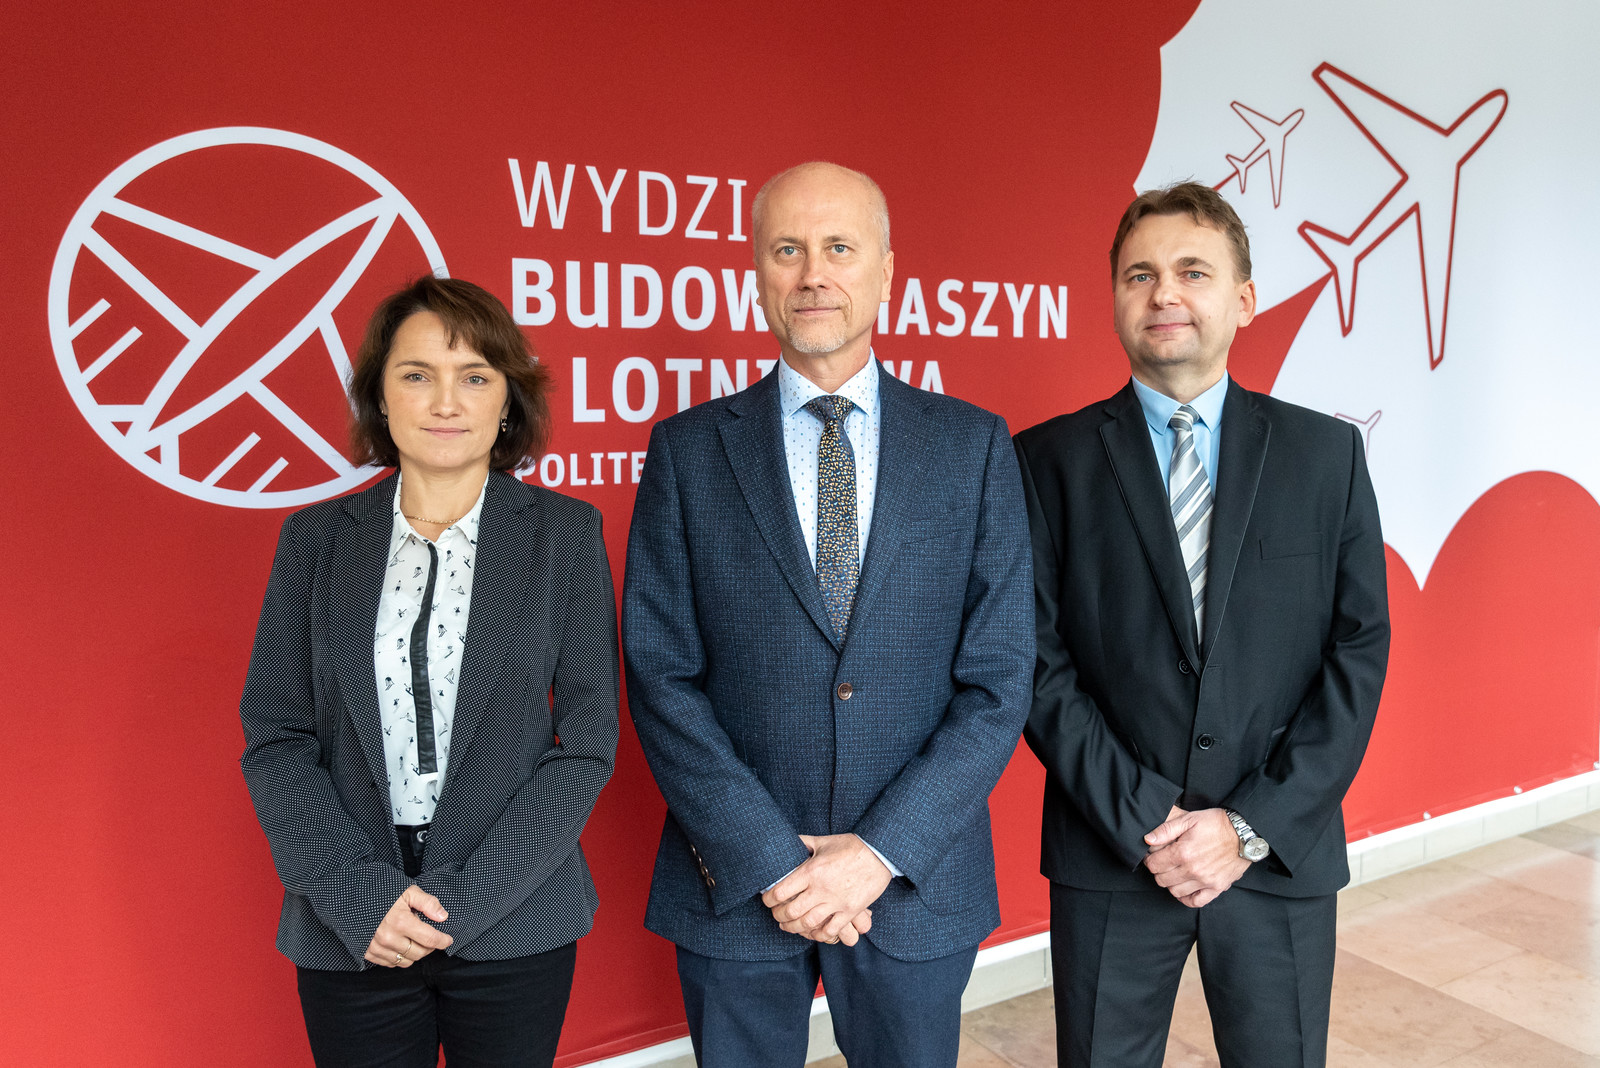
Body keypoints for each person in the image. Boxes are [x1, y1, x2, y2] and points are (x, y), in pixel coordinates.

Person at [621, 161, 1034, 1068]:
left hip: (913, 880)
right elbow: (660, 674)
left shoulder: (972, 444)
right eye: (788, 250)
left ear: (886, 271)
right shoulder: (688, 451)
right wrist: (770, 858)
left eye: (840, 248)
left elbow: (1000, 680)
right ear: (757, 272)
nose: (814, 273)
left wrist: (877, 854)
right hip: (737, 882)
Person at [1014, 182, 1390, 1067]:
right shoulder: (1044, 461)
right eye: (1140, 274)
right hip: (1112, 855)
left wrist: (1248, 826)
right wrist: (1151, 819)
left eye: (1193, 271)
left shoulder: (1327, 456)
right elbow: (1032, 661)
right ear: (1115, 297)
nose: (1164, 294)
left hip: (1276, 856)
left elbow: (1358, 651)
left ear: (1244, 299)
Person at [239, 276, 619, 1068]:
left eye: (475, 376)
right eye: (417, 374)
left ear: (508, 401)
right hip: (354, 927)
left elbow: (586, 741)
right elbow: (276, 737)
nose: (447, 401)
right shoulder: (315, 541)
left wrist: (465, 900)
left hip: (515, 917)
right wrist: (357, 894)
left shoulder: (564, 535)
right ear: (380, 397)